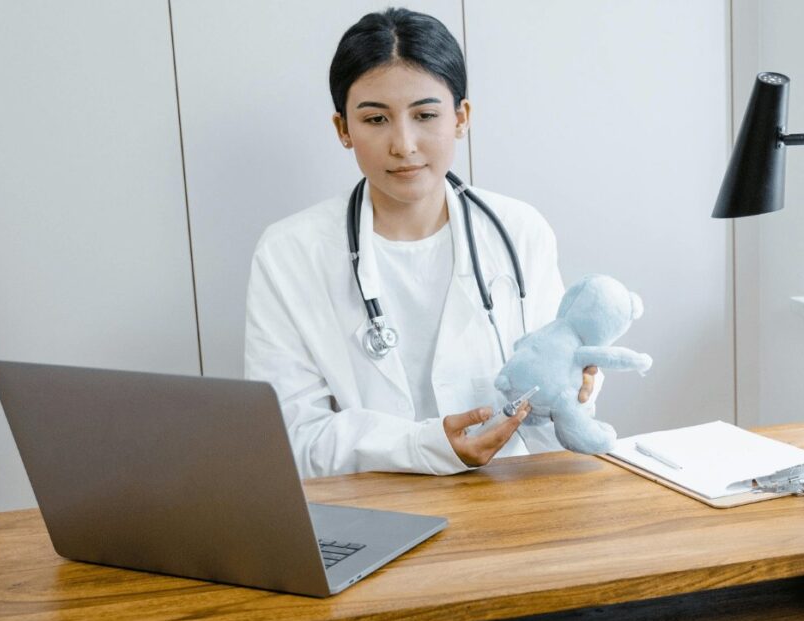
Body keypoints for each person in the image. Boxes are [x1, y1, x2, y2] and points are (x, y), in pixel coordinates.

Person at [244, 7, 600, 478]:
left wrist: (576, 389)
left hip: (511, 501)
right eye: (375, 120)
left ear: (460, 117)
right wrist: (423, 445)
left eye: (425, 114)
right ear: (343, 130)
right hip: (371, 513)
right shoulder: (289, 254)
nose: (404, 144)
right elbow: (292, 438)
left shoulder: (519, 231)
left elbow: (556, 412)